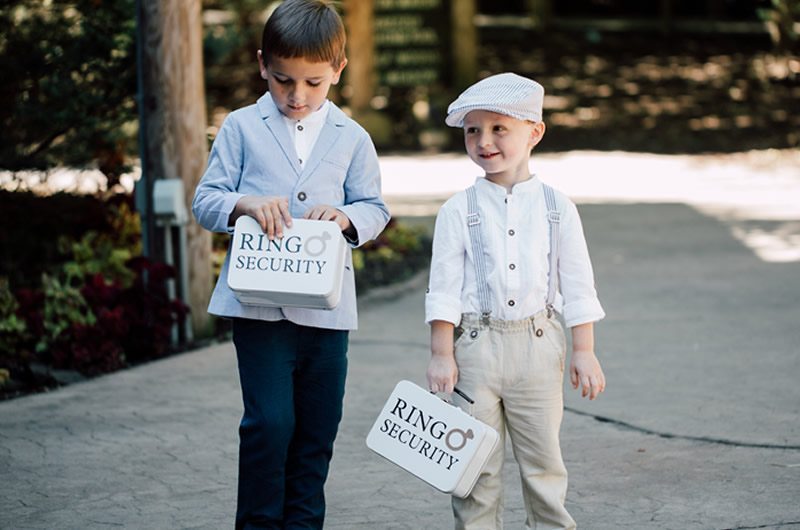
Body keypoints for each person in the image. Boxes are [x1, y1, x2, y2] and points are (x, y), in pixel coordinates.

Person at [192, 1, 390, 528]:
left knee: (317, 431)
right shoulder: (239, 127)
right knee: (269, 424)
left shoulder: (353, 137)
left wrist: (346, 217)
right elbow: (205, 200)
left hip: (327, 316)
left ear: (338, 72)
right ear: (263, 65)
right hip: (257, 311)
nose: (297, 96)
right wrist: (244, 203)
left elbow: (375, 209)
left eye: (313, 83)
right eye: (283, 81)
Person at [425, 72, 607, 530]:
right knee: (473, 467)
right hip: (474, 351)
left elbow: (578, 283)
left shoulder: (556, 207)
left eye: (499, 128)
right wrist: (441, 355)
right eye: (473, 130)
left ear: (535, 133)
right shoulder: (457, 210)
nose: (484, 141)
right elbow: (443, 287)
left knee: (543, 463)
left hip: (538, 345)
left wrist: (583, 350)